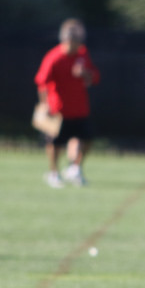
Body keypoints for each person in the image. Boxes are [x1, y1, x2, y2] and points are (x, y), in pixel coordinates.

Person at [35, 18, 99, 188]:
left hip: (80, 108)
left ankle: (75, 168)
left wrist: (84, 73)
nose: (80, 44)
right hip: (59, 109)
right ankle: (53, 173)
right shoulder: (54, 57)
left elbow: (94, 77)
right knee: (55, 143)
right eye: (77, 40)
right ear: (68, 40)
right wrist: (45, 104)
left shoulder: (82, 54)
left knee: (87, 139)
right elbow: (42, 82)